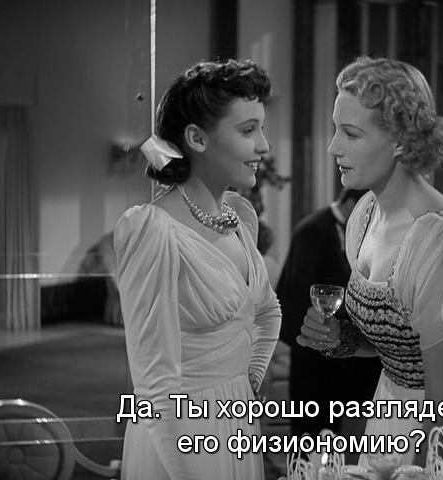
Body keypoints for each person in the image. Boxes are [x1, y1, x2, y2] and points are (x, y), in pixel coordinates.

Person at [298, 57, 443, 479]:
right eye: (335, 129)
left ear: (400, 141)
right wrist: (342, 338)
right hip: (389, 415)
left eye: (351, 133)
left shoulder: (434, 239)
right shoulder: (364, 215)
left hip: (437, 435)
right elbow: (401, 345)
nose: (333, 147)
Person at [114, 59, 281, 480]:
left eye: (261, 129)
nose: (264, 146)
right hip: (180, 437)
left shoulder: (238, 217)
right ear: (197, 138)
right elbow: (154, 387)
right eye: (249, 130)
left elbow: (267, 311)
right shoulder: (153, 231)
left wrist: (250, 379)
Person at [276, 188, 382, 461]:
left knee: (341, 439)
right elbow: (300, 292)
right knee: (311, 435)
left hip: (343, 353)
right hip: (314, 356)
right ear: (351, 203)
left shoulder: (356, 232)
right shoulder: (313, 230)